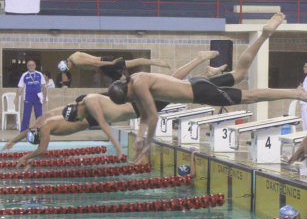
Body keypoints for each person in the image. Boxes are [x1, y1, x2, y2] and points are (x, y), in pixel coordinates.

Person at [108, 13, 307, 163]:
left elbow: (152, 116)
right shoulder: (136, 78)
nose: (132, 101)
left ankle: (295, 93)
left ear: (127, 93)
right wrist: (141, 136)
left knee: (251, 96)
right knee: (240, 74)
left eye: (129, 99)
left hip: (199, 92)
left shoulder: (139, 86)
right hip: (196, 83)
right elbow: (145, 115)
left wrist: (146, 142)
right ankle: (263, 36)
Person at [61, 51, 228, 159]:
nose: (79, 120)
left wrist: (118, 148)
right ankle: (206, 72)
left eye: (77, 118)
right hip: (137, 107)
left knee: (177, 85)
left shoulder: (91, 104)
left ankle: (201, 62)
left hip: (138, 105)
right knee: (177, 86)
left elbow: (105, 126)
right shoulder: (91, 102)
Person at [1, 104, 89, 170]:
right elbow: (30, 131)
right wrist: (13, 141)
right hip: (80, 105)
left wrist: (25, 157)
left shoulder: (45, 127)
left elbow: (42, 149)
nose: (42, 140)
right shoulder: (39, 123)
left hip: (87, 118)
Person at [57, 52, 171, 81]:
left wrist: (111, 63)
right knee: (124, 80)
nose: (70, 69)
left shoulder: (76, 62)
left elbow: (95, 63)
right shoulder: (73, 56)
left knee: (133, 63)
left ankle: (157, 62)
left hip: (105, 63)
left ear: (68, 64)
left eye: (68, 68)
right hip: (103, 66)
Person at [15, 60, 47, 132]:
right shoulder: (24, 75)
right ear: (27, 67)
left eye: (32, 65)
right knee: (26, 116)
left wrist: (44, 97)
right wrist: (16, 97)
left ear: (35, 66)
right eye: (29, 65)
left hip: (37, 98)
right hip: (28, 98)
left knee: (39, 116)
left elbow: (43, 87)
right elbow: (20, 87)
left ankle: (40, 131)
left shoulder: (39, 74)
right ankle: (23, 132)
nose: (31, 66)